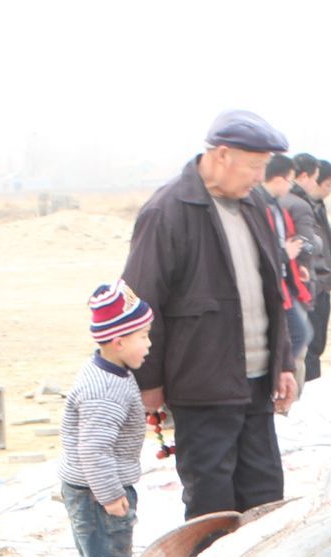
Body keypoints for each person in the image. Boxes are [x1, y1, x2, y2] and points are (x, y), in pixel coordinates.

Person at [123, 111, 298, 520]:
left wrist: (283, 363)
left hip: (257, 383)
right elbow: (141, 302)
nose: (259, 176)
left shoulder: (255, 204)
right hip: (202, 384)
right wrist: (149, 382)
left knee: (266, 494)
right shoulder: (168, 211)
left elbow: (274, 290)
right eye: (254, 166)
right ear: (222, 155)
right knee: (211, 501)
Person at [59, 282, 153, 557]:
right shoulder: (105, 390)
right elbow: (94, 449)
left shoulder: (108, 371)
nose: (148, 344)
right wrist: (112, 495)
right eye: (143, 336)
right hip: (98, 492)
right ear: (119, 341)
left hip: (84, 488)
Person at [281, 154, 331, 383]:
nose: (318, 185)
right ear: (303, 176)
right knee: (307, 347)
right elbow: (311, 243)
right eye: (316, 179)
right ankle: (309, 399)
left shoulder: (295, 202)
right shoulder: (299, 204)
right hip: (306, 283)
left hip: (301, 282)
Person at [261, 155, 315, 381]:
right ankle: (278, 377)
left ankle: (279, 376)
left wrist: (294, 266)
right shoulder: (259, 206)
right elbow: (262, 250)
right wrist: (285, 255)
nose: (291, 186)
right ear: (279, 178)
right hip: (272, 285)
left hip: (285, 280)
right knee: (299, 333)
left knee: (298, 334)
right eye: (290, 181)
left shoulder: (276, 206)